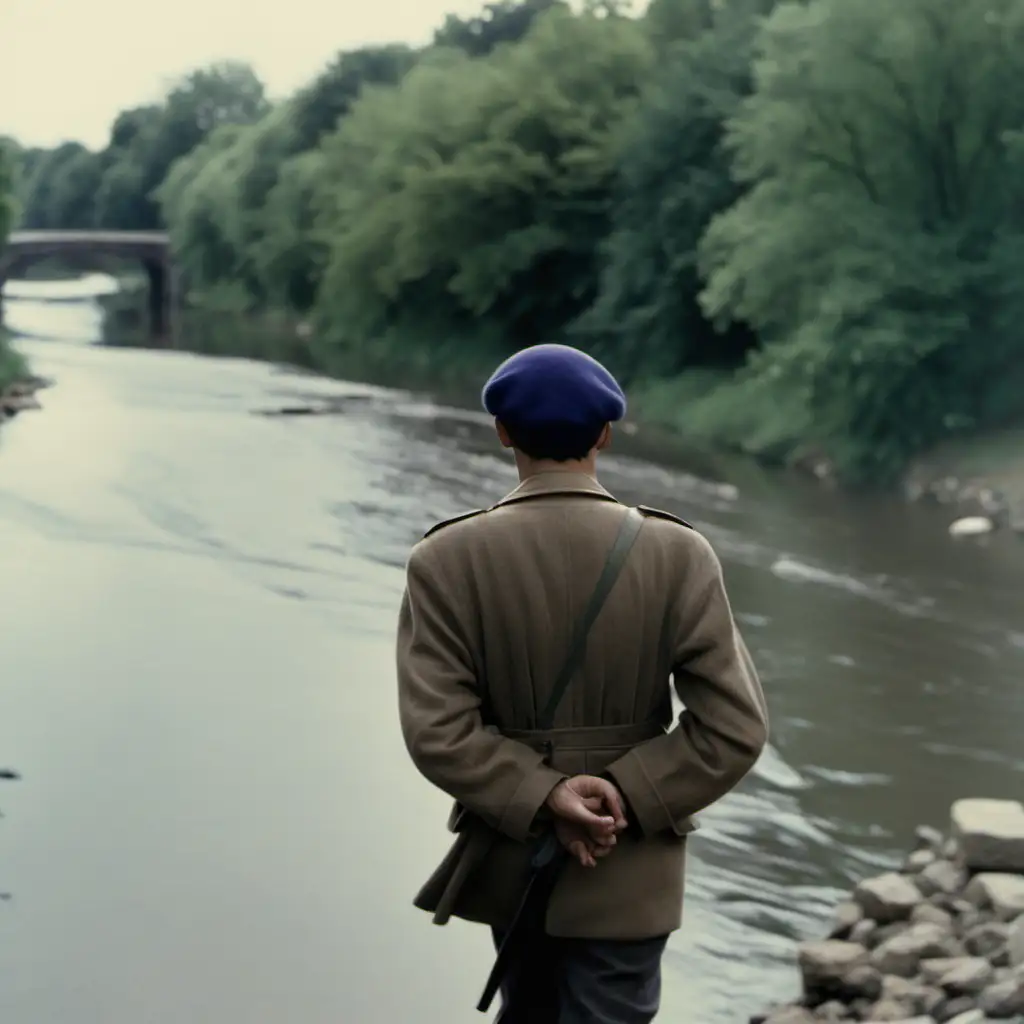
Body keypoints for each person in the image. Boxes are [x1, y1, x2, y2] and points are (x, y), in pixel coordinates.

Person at [396, 343, 769, 1023]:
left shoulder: (444, 559)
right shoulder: (679, 553)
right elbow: (734, 728)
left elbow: (437, 731)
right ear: (605, 434)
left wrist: (546, 795)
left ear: (503, 432)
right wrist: (623, 791)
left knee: (528, 1008)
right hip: (629, 858)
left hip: (515, 852)